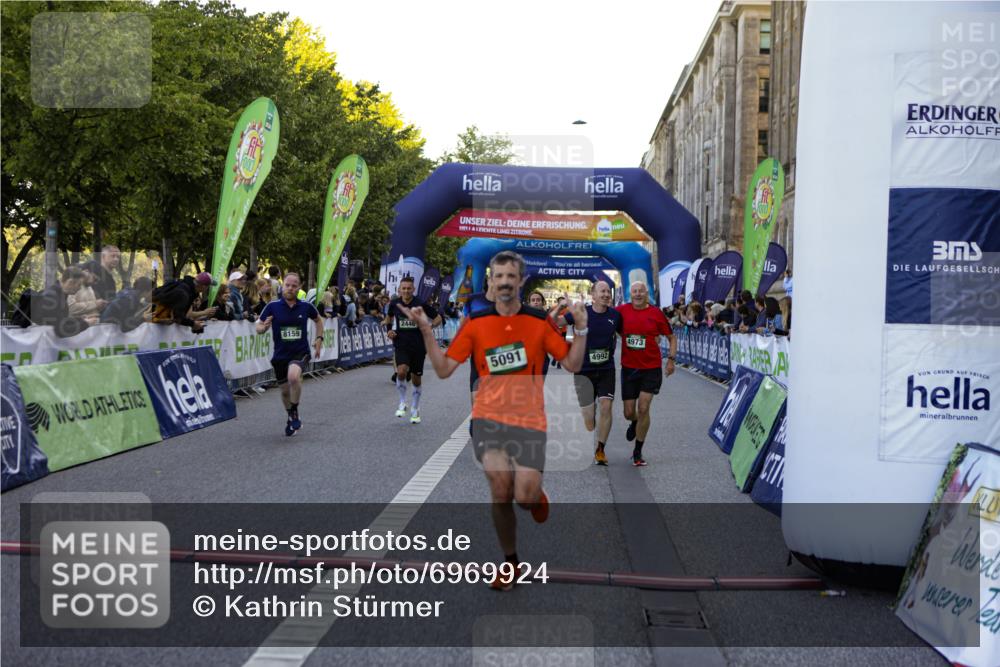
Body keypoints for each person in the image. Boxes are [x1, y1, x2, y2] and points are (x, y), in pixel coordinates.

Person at [399, 250, 588, 591]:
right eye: (498, 277)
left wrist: (583, 329)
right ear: (490, 281)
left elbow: (572, 364)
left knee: (524, 497)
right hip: (488, 419)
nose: (504, 283)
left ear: (521, 281)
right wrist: (427, 330)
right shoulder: (476, 323)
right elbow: (443, 370)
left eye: (510, 277)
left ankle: (535, 496)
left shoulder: (538, 321)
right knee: (501, 491)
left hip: (529, 420)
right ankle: (510, 563)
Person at [558, 280, 621, 466]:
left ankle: (600, 449)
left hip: (606, 369)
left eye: (608, 292)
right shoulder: (581, 312)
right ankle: (591, 424)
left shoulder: (615, 316)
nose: (606, 295)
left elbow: (628, 334)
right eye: (601, 292)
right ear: (592, 295)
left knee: (606, 406)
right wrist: (559, 308)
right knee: (588, 418)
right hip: (583, 370)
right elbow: (557, 321)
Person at [256, 272, 324, 437]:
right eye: (288, 285)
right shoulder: (273, 306)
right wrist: (264, 327)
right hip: (280, 354)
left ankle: (293, 412)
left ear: (299, 287)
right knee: (285, 391)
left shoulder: (306, 306)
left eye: (294, 285)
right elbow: (258, 327)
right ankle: (291, 416)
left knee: (293, 377)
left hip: (300, 351)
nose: (290, 288)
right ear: (282, 286)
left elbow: (318, 320)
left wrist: (319, 338)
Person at [616, 282, 676, 467]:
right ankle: (633, 422)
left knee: (643, 408)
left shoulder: (656, 313)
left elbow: (671, 337)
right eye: (634, 291)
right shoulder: (621, 311)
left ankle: (637, 451)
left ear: (647, 293)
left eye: (641, 291)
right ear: (630, 294)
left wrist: (671, 359)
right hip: (629, 367)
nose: (638, 294)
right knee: (628, 413)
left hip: (651, 368)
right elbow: (608, 323)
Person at [384, 276, 441, 424]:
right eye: (404, 288)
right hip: (401, 343)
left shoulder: (420, 304)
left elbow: (438, 318)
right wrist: (389, 330)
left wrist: (430, 327)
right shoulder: (395, 303)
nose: (406, 291)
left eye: (409, 288)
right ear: (399, 289)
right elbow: (388, 318)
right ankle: (402, 402)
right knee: (401, 371)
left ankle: (415, 408)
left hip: (418, 345)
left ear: (413, 289)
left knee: (416, 379)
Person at [150, 272, 217, 333]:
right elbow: (178, 317)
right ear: (203, 286)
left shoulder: (186, 287)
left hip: (155, 322)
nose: (207, 289)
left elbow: (185, 315)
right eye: (208, 286)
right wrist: (193, 324)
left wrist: (198, 320)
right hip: (152, 323)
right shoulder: (184, 293)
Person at [34, 265, 90, 337]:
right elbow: (61, 331)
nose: (79, 288)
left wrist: (79, 320)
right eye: (79, 285)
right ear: (70, 282)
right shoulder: (51, 298)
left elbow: (60, 321)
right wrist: (86, 324)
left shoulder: (58, 295)